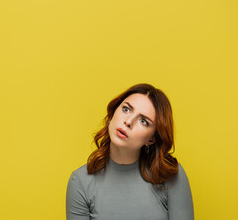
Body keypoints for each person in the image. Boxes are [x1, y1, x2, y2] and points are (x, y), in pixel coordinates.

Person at [66, 83, 194, 220]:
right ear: (112, 115)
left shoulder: (171, 175)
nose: (128, 121)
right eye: (126, 109)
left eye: (143, 121)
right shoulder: (80, 181)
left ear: (151, 139)